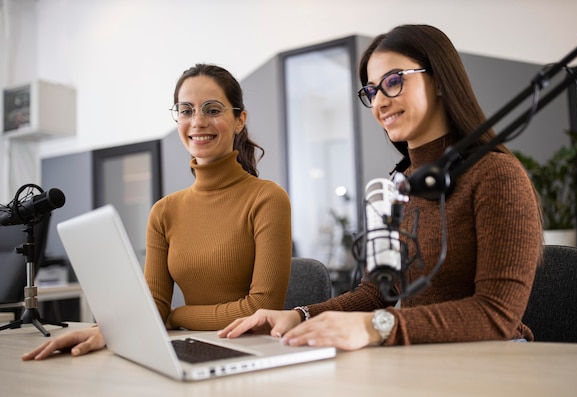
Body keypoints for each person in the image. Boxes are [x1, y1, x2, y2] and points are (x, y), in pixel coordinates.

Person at [217, 25, 543, 351]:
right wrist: (300, 316)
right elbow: (377, 293)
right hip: (426, 361)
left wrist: (376, 327)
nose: (379, 103)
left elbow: (497, 314)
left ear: (441, 80)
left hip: (495, 361)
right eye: (372, 91)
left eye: (393, 81)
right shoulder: (401, 185)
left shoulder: (496, 175)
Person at [22, 64, 292, 360]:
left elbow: (260, 310)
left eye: (212, 110)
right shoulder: (164, 211)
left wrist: (178, 317)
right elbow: (154, 303)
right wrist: (107, 331)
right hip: (189, 350)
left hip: (252, 355)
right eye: (186, 110)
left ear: (240, 119)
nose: (197, 122)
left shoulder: (267, 198)